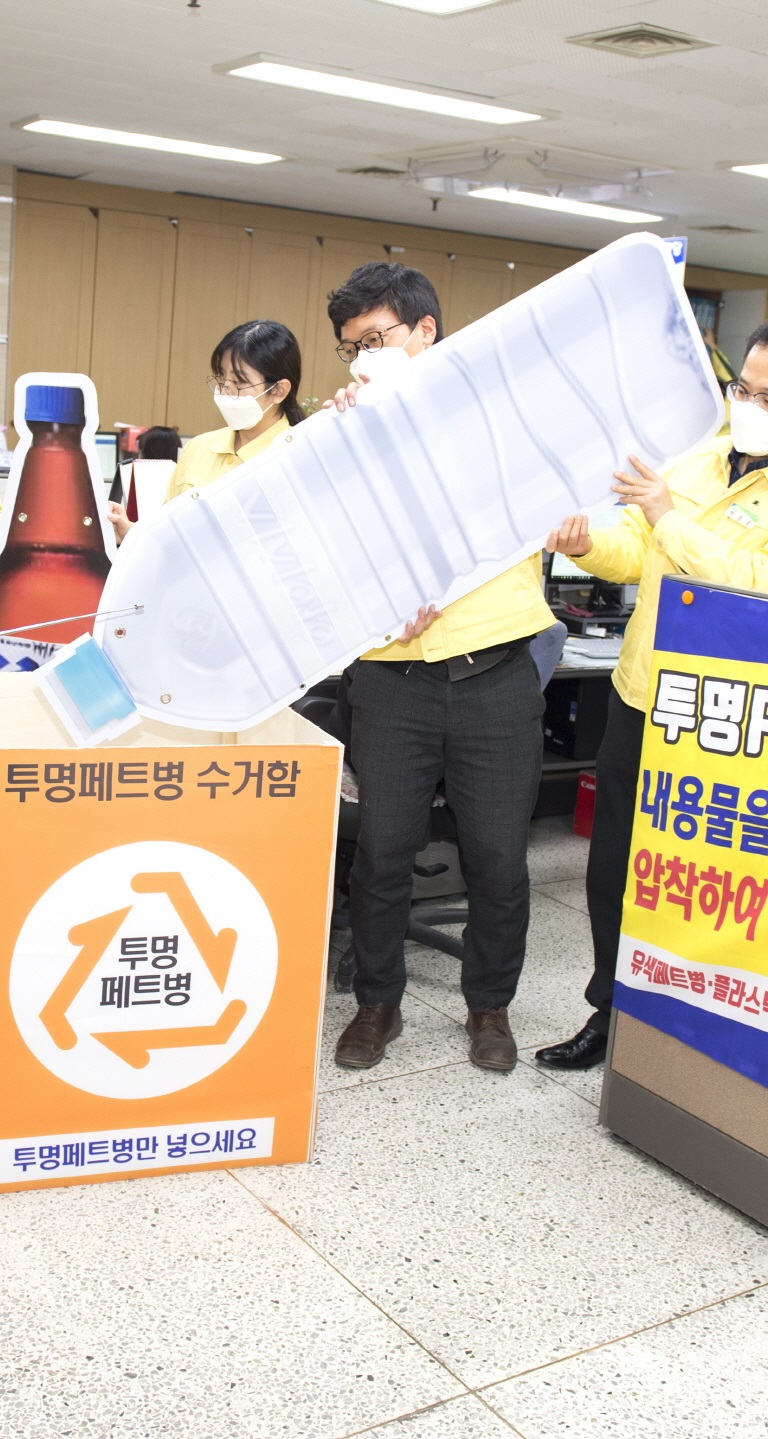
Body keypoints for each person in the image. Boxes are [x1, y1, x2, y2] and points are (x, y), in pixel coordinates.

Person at [535, 313, 768, 1072]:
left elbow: (760, 589)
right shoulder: (702, 456)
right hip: (641, 695)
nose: (748, 405)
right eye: (741, 388)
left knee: (701, 884)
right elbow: (637, 549)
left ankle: (687, 1034)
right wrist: (589, 543)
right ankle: (610, 1012)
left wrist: (667, 516)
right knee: (614, 868)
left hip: (728, 723)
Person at [325, 263, 555, 1075]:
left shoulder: (503, 416)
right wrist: (348, 441)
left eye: (375, 339)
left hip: (495, 672)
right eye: (351, 347)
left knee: (498, 857)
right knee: (383, 852)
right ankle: (376, 1004)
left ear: (426, 331)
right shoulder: (347, 431)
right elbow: (329, 548)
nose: (362, 358)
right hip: (393, 679)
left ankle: (489, 1005)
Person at [106, 322, 300, 542]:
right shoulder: (199, 448)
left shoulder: (294, 458)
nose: (226, 390)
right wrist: (130, 533)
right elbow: (165, 537)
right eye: (223, 378)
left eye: (239, 381)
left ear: (278, 391)